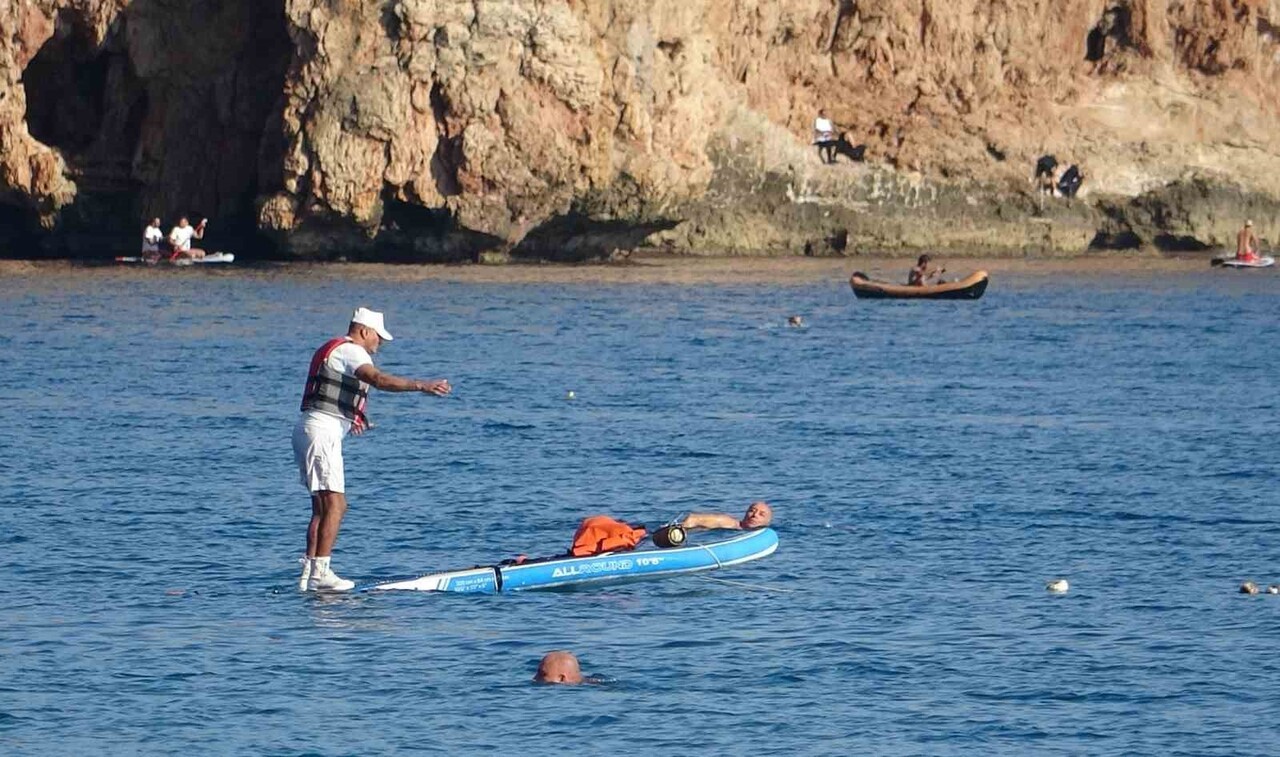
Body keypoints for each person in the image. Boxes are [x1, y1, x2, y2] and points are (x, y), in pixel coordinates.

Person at [293, 307, 452, 591]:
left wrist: (352, 417)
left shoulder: (335, 349)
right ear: (364, 331)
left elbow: (334, 394)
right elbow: (377, 380)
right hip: (321, 432)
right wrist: (421, 386)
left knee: (322, 506)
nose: (379, 346)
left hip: (312, 429)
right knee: (337, 505)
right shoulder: (352, 351)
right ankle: (321, 574)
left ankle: (310, 574)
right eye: (378, 339)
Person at [679, 501, 773, 531]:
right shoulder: (728, 522)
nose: (754, 515)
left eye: (761, 514)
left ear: (767, 522)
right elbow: (693, 519)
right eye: (752, 511)